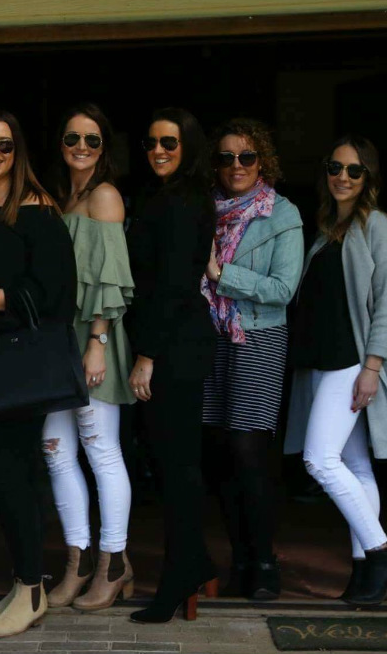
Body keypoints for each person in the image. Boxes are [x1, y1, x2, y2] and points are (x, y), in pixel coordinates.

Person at [0, 109, 76, 638]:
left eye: (4, 145)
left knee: (15, 475)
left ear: (18, 150)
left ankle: (31, 589)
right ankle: (23, 583)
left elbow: (58, 295)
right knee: (1, 477)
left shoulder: (39, 211)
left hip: (21, 361)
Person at [284, 135, 387, 605]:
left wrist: (373, 366)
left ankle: (381, 552)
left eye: (354, 171)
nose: (343, 177)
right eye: (335, 168)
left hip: (352, 363)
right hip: (322, 361)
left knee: (320, 459)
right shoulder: (324, 230)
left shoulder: (377, 225)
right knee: (355, 466)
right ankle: (365, 574)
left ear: (368, 178)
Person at [200, 119, 303, 601]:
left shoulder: (282, 215)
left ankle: (263, 560)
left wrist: (225, 275)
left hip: (258, 337)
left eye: (246, 157)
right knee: (220, 448)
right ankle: (239, 555)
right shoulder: (207, 212)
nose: (235, 166)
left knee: (248, 449)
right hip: (212, 338)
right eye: (226, 157)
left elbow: (283, 290)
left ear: (262, 161)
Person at [41, 103, 136, 611]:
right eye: (72, 137)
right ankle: (76, 564)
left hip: (92, 337)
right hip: (60, 341)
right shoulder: (63, 195)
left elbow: (111, 275)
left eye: (92, 140)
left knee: (101, 451)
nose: (81, 147)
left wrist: (97, 341)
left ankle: (113, 562)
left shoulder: (103, 196)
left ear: (105, 148)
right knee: (56, 450)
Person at [126, 107, 217, 623]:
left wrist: (147, 357)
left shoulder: (182, 201)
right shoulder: (168, 196)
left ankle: (182, 573)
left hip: (174, 350)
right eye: (152, 143)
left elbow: (176, 289)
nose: (158, 151)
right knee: (171, 464)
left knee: (177, 467)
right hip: (172, 346)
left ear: (188, 147)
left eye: (170, 143)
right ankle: (195, 561)